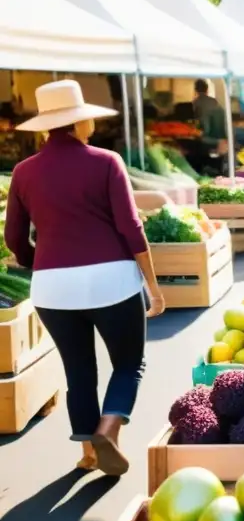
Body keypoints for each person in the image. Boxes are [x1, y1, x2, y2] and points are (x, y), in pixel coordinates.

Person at [4, 80, 164, 476]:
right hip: (112, 282)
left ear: (45, 127)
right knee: (129, 363)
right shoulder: (106, 161)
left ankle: (89, 454)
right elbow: (130, 228)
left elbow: (13, 238)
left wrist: (32, 261)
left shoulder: (23, 173)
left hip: (52, 288)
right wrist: (154, 289)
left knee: (78, 370)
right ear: (77, 124)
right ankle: (109, 428)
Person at [193, 79, 228, 174]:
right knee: (218, 160)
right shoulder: (214, 101)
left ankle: (203, 170)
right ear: (207, 89)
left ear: (195, 89)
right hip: (221, 136)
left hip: (208, 138)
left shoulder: (196, 103)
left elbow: (200, 124)